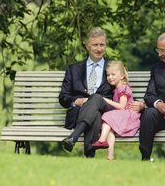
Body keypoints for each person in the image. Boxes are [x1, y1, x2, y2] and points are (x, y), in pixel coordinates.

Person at [59, 27, 144, 158]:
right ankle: (89, 157)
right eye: (95, 45)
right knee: (96, 114)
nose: (99, 48)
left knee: (97, 99)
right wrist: (77, 101)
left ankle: (73, 138)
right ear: (87, 46)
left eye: (102, 44)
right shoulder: (73, 69)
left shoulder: (112, 70)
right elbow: (63, 97)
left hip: (106, 112)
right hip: (79, 114)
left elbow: (124, 90)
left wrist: (141, 104)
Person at [91, 61, 141, 160]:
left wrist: (106, 100)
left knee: (107, 116)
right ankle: (110, 157)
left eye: (113, 74)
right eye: (108, 75)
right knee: (110, 130)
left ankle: (101, 139)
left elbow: (122, 106)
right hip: (123, 115)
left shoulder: (123, 88)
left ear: (122, 76)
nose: (110, 77)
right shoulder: (117, 89)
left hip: (128, 116)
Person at [139, 33, 165, 161]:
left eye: (163, 50)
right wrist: (159, 104)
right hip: (161, 116)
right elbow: (149, 95)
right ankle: (145, 158)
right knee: (148, 113)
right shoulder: (156, 69)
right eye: (158, 50)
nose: (160, 54)